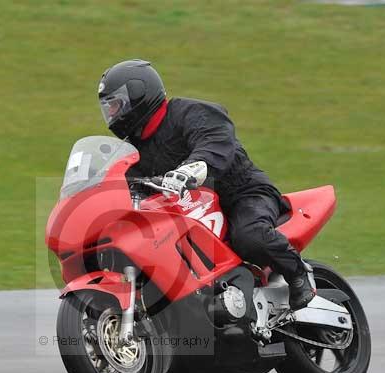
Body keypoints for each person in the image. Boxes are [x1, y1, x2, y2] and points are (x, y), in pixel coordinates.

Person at [98, 59, 315, 310]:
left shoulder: (191, 113)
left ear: (137, 95)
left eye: (115, 105)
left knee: (250, 236)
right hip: (184, 209)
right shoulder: (131, 149)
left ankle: (298, 274)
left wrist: (195, 167)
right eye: (108, 107)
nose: (112, 114)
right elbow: (116, 180)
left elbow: (215, 141)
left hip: (240, 193)